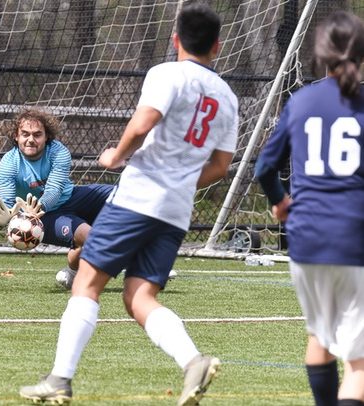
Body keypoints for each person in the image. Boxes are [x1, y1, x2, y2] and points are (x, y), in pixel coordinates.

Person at [19, 2, 238, 405]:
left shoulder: (166, 73)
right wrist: (182, 184)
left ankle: (59, 380)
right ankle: (193, 361)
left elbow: (142, 124)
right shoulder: (227, 96)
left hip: (139, 195)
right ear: (218, 47)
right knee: (138, 295)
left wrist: (116, 156)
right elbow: (221, 167)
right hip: (175, 210)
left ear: (176, 41)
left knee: (86, 282)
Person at [255, 10, 364, 406]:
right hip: (354, 238)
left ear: (320, 54)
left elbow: (264, 168)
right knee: (359, 364)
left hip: (306, 237)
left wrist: (281, 203)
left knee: (320, 335)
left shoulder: (301, 101)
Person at [0, 107, 114, 289]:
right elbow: (7, 204)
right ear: (16, 136)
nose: (31, 139)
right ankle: (140, 268)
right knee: (91, 237)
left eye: (37, 134)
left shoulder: (58, 152)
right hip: (44, 218)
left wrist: (39, 205)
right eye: (25, 134)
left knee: (124, 195)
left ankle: (74, 265)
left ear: (47, 137)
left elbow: (54, 190)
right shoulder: (8, 165)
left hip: (70, 198)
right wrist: (10, 219)